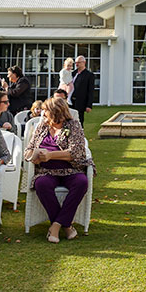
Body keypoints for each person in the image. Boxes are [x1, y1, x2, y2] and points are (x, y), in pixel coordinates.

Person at [23, 96, 93, 243]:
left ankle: (55, 226)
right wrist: (34, 155)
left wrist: (50, 155)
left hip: (71, 170)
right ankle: (66, 225)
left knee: (81, 182)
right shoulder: (42, 126)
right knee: (41, 184)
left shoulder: (73, 125)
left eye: (45, 110)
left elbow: (77, 152)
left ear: (55, 111)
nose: (42, 113)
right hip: (46, 171)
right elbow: (28, 150)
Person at [70, 55, 93, 126]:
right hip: (70, 101)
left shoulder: (89, 75)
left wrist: (89, 105)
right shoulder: (72, 73)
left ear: (84, 62)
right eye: (76, 63)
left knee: (79, 120)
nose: (77, 64)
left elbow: (90, 91)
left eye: (79, 62)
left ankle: (80, 135)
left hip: (81, 101)